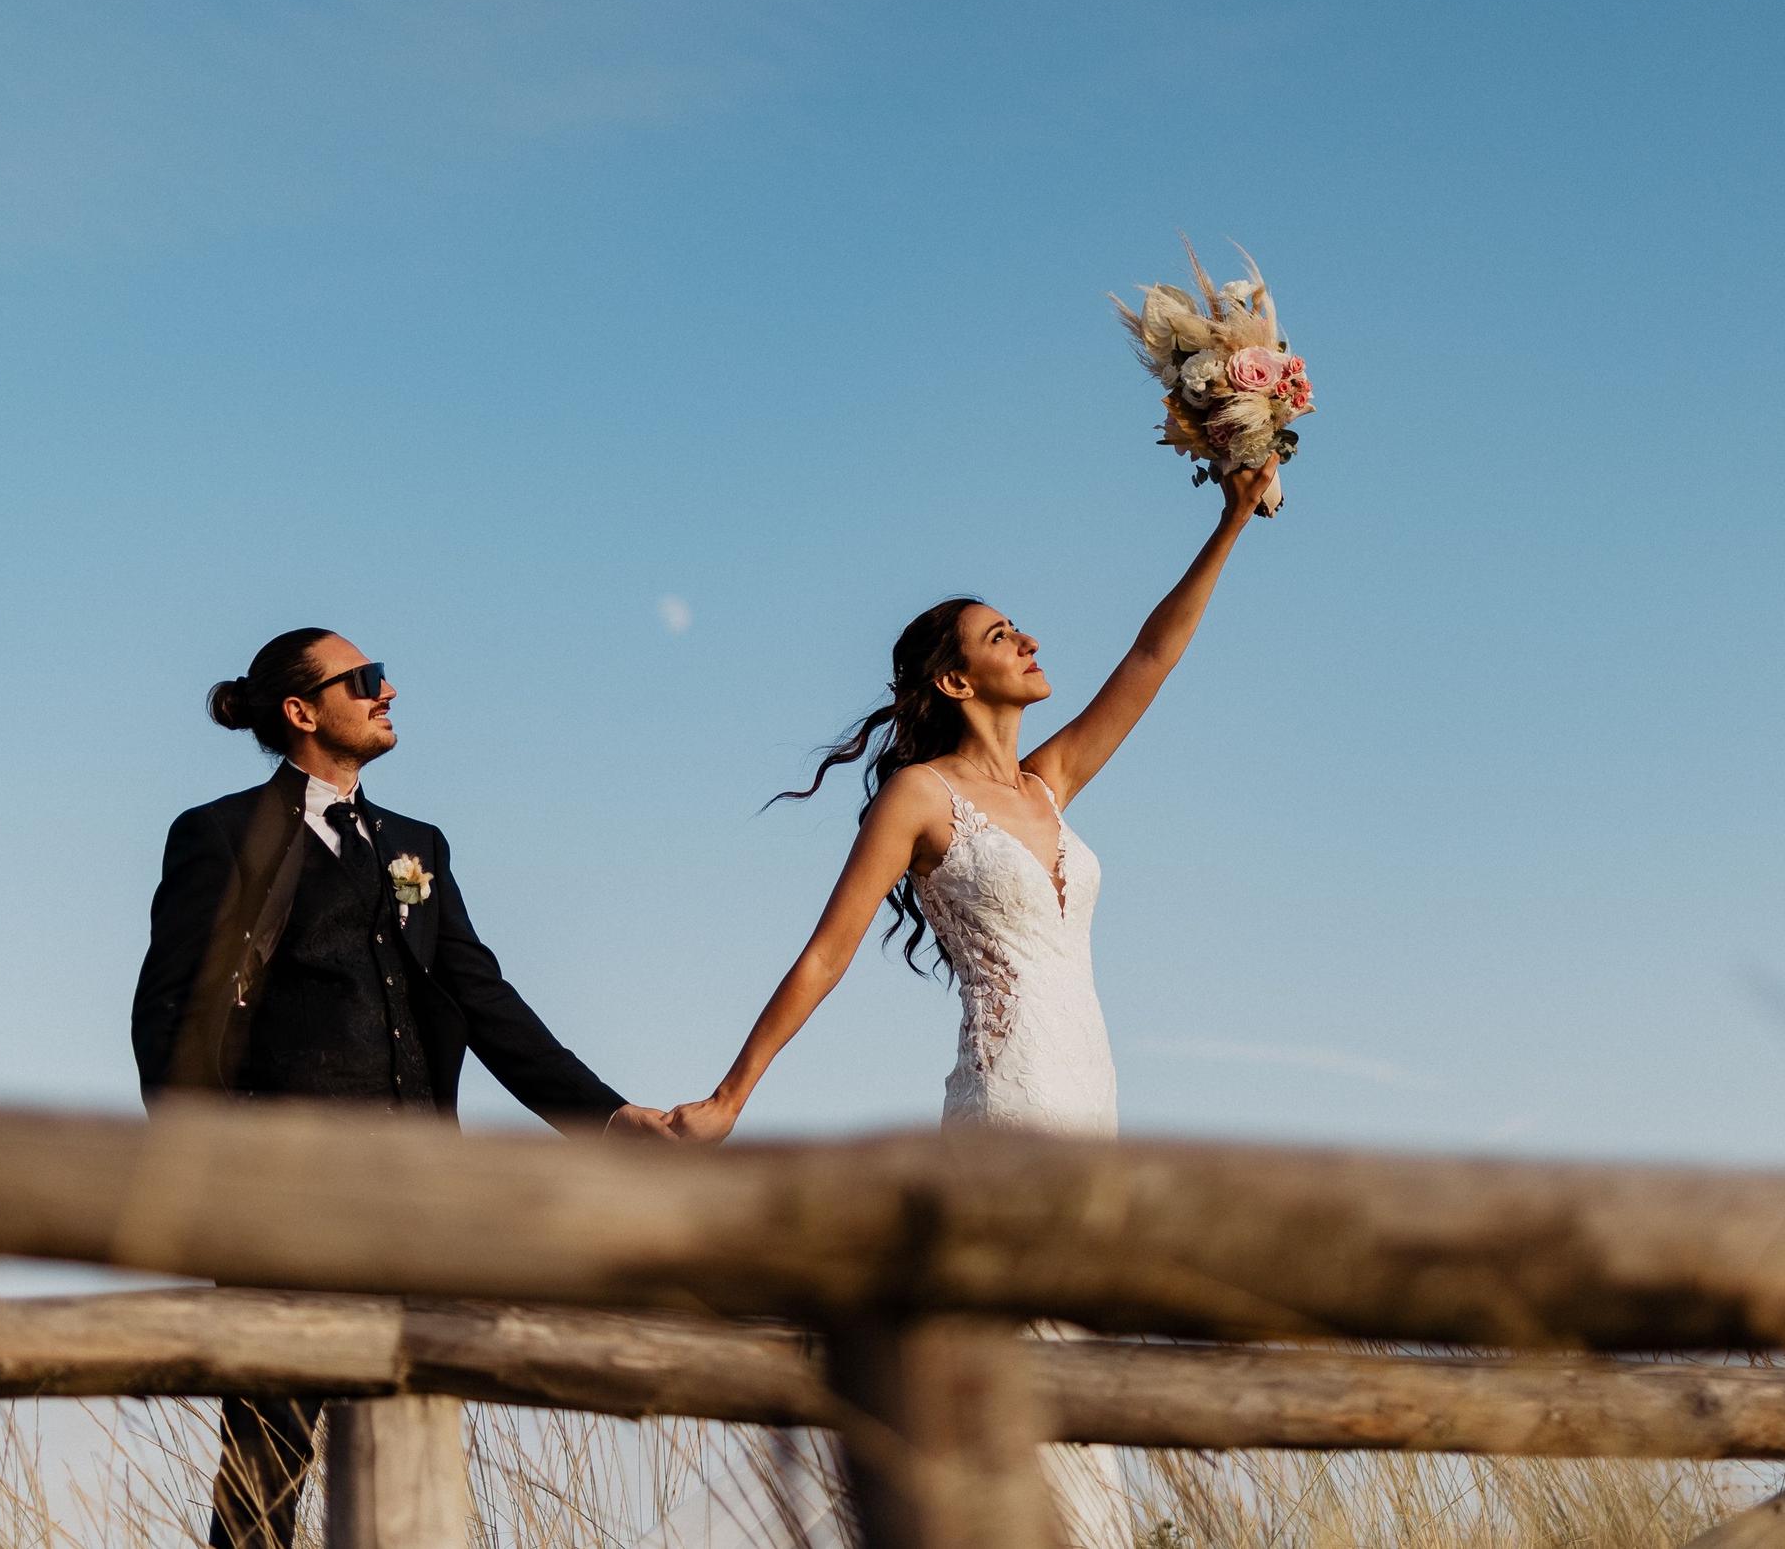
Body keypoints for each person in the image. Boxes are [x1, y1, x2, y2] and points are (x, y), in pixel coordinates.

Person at [661, 458, 1278, 1547]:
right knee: (1028, 1354)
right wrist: (728, 1096)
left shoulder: (1051, 782)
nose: (1028, 642)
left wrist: (1231, 518)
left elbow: (1152, 655)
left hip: (1093, 1098)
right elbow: (824, 955)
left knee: (1077, 1357)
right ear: (953, 681)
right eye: (1001, 636)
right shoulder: (919, 797)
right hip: (1010, 1095)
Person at [132, 627, 666, 1549]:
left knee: (415, 1438)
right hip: (283, 1195)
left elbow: (483, 997)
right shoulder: (219, 834)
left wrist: (609, 1118)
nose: (388, 691)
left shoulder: (417, 846)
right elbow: (168, 1018)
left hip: (422, 1193)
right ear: (301, 711)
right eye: (365, 679)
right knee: (267, 1460)